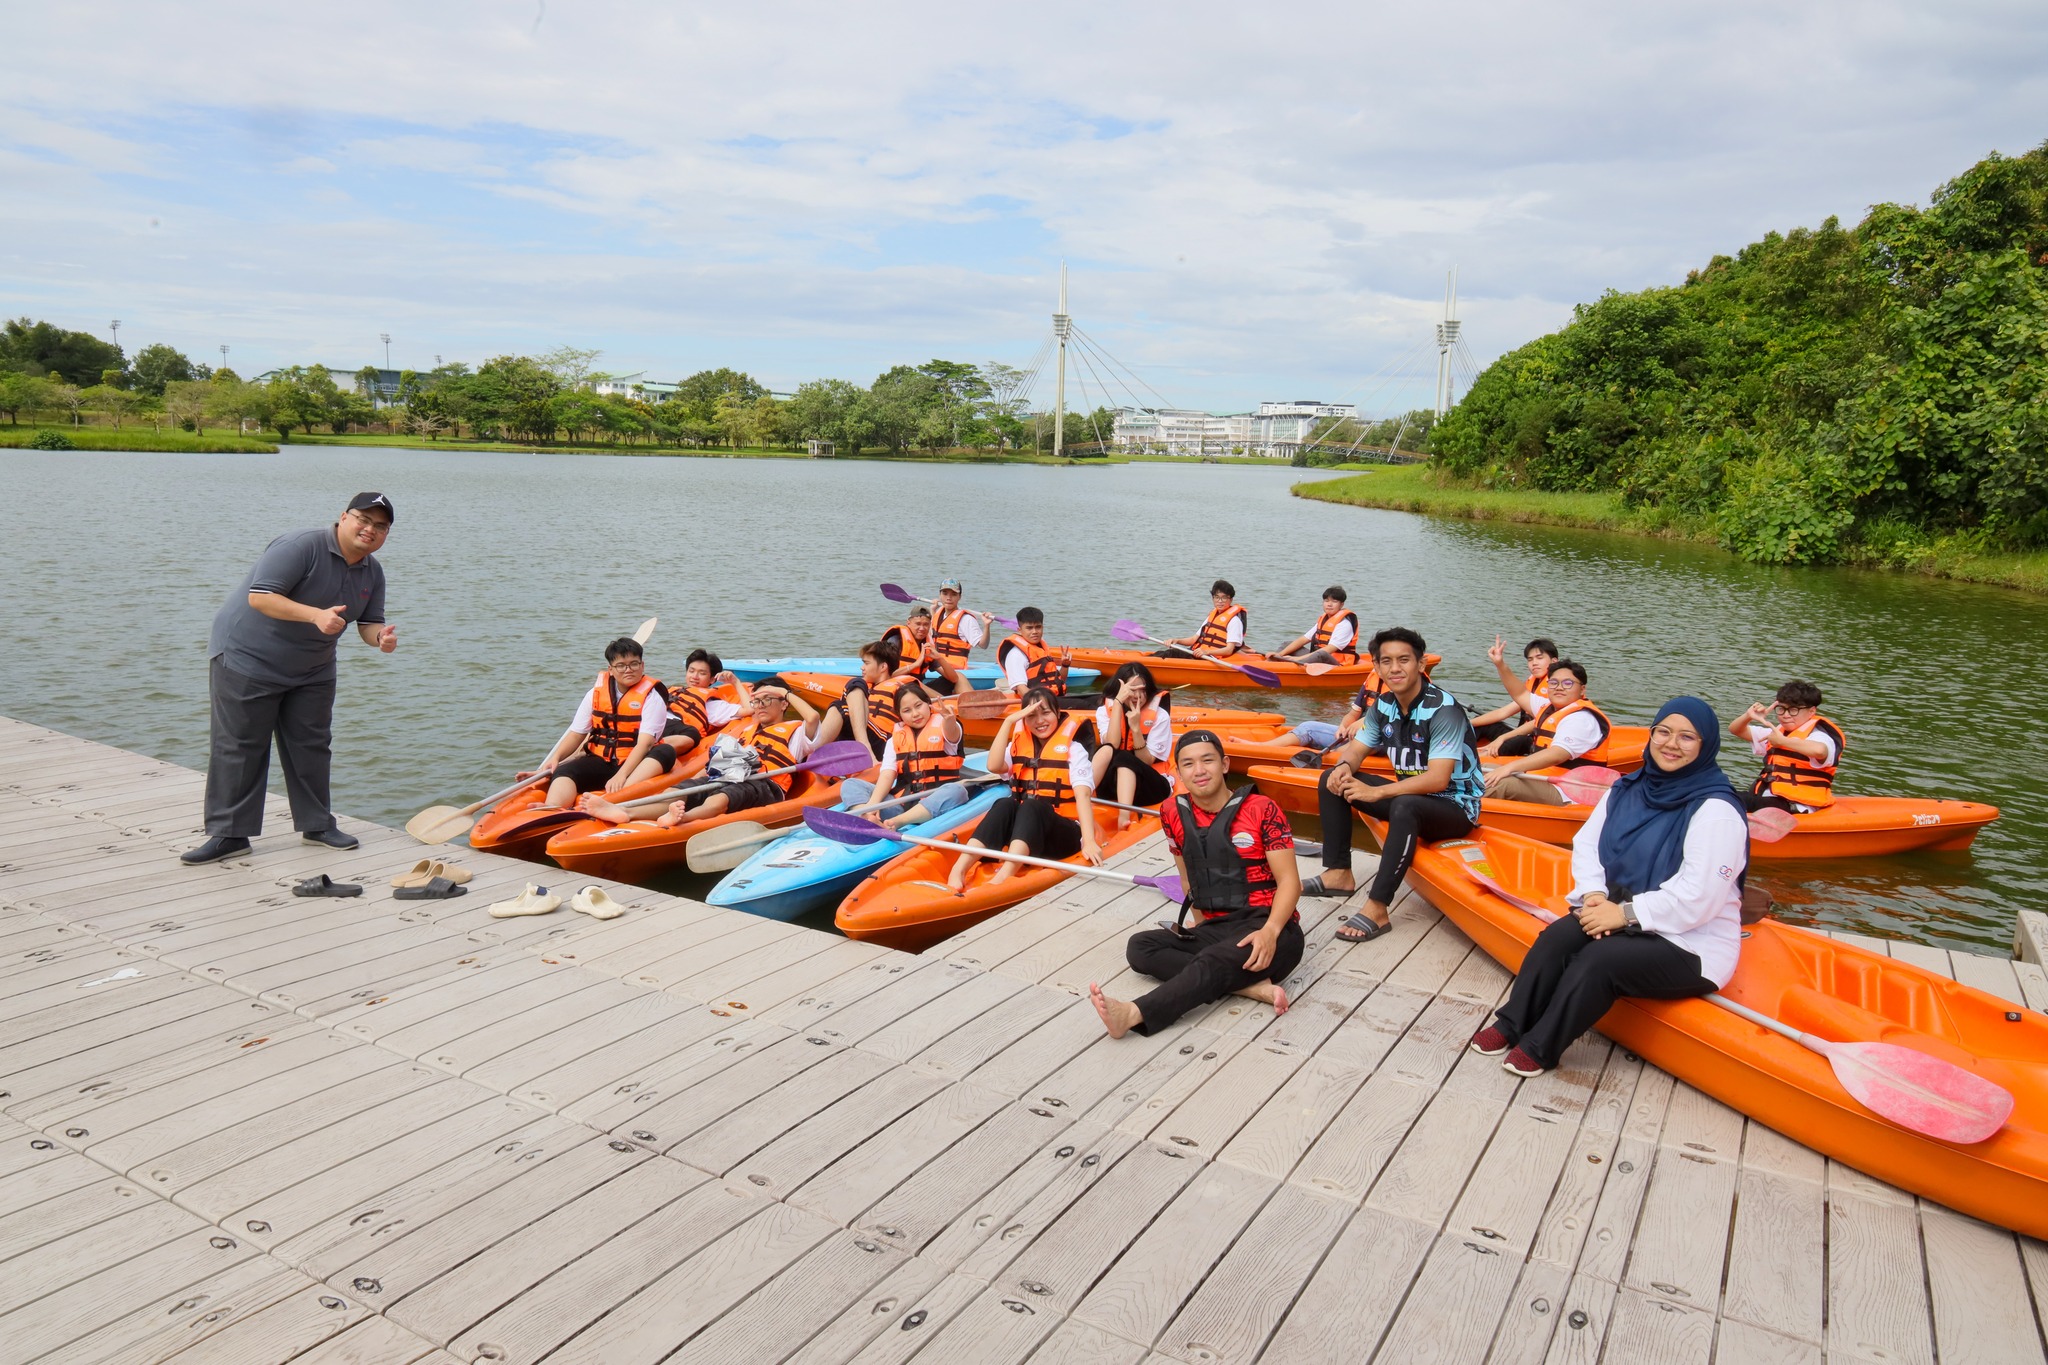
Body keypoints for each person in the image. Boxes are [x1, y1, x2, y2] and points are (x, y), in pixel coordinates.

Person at [1471, 697, 1747, 1076]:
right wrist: (1594, 895)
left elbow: (1699, 897)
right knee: (1556, 939)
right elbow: (1587, 846)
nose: (1671, 743)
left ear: (1706, 746)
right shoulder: (1628, 789)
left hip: (1691, 941)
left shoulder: (1716, 811)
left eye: (1687, 737)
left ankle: (1541, 1047)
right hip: (1616, 910)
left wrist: (1623, 914)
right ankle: (1511, 1023)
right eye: (1663, 732)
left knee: (1599, 961)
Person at [184, 492, 399, 864]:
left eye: (380, 526)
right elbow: (261, 597)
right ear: (343, 517)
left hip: (313, 666)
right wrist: (315, 616)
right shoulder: (301, 546)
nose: (370, 530)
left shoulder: (372, 571)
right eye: (364, 519)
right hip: (248, 656)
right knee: (240, 746)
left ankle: (317, 825)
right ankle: (229, 834)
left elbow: (368, 622)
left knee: (312, 744)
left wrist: (380, 638)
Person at [1089, 730, 1304, 1037]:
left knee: (1213, 959)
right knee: (1140, 947)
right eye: (1188, 764)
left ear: (1225, 764)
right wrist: (1201, 929)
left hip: (1271, 928)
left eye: (1208, 760)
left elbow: (1290, 883)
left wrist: (1270, 932)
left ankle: (1133, 1014)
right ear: (1179, 772)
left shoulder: (1262, 809)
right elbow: (1189, 878)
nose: (1199, 770)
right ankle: (1250, 988)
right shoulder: (1172, 812)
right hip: (1219, 928)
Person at [1304, 627, 1484, 942]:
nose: (1395, 668)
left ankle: (1377, 907)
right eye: (1386, 661)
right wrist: (1344, 767)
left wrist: (1377, 792)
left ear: (1421, 664)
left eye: (1404, 660)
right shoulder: (1384, 705)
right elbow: (1357, 749)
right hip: (1413, 799)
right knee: (1331, 780)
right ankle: (1338, 873)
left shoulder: (1445, 710)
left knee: (1404, 804)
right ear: (1376, 666)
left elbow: (1439, 778)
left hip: (1454, 808)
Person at [579, 676, 821, 827]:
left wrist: (784, 691)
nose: (759, 706)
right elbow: (723, 763)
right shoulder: (747, 730)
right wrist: (697, 778)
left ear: (783, 703)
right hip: (729, 775)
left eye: (767, 700)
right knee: (678, 791)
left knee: (720, 798)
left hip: (764, 784)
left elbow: (812, 717)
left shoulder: (797, 732)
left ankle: (682, 819)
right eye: (757, 701)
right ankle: (624, 812)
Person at [947, 688, 1102, 891]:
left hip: (1063, 833)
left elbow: (1082, 795)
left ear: (1057, 713)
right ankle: (959, 869)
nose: (1039, 721)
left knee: (1032, 806)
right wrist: (1007, 722)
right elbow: (994, 765)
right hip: (1026, 832)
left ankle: (1005, 874)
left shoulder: (1074, 750)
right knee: (1004, 804)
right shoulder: (1018, 746)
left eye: (1045, 713)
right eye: (1031, 716)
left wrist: (1089, 841)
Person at [522, 637, 672, 811]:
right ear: (611, 669)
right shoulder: (595, 694)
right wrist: (555, 759)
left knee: (665, 751)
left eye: (634, 664)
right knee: (565, 771)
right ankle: (553, 807)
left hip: (639, 761)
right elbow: (577, 733)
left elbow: (645, 743)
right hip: (605, 760)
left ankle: (616, 798)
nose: (628, 670)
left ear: (642, 666)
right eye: (621, 666)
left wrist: (621, 776)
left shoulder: (652, 697)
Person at [836, 682, 977, 829]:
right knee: (851, 784)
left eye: (918, 706)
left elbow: (952, 735)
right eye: (907, 710)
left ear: (928, 704)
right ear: (900, 715)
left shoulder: (946, 726)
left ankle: (896, 823)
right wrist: (872, 805)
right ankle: (865, 816)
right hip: (902, 805)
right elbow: (887, 775)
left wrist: (949, 720)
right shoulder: (894, 739)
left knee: (957, 791)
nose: (915, 714)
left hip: (935, 803)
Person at [1481, 660, 1614, 805]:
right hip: (1542, 779)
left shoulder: (1582, 718)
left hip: (1568, 791)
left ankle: (1463, 814)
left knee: (1501, 783)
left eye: (1568, 683)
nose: (1559, 688)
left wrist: (1509, 768)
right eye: (1554, 683)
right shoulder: (1549, 708)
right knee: (1483, 770)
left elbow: (1557, 754)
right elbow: (1520, 693)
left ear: (1582, 689)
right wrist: (1501, 665)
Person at [1729, 680, 1844, 813]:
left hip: (1798, 805)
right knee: (1721, 793)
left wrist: (1783, 741)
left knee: (1729, 800)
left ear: (1811, 711)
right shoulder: (1777, 733)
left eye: (1793, 710)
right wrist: (1749, 716)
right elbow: (1736, 730)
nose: (1786, 715)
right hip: (1770, 799)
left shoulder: (1819, 736)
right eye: (1782, 709)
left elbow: (1820, 751)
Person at [631, 647, 741, 783]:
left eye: (702, 673)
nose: (694, 677)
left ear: (712, 679)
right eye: (691, 671)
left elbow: (750, 709)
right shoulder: (672, 690)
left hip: (676, 729)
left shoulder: (712, 704)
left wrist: (735, 682)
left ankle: (646, 748)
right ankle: (641, 747)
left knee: (692, 734)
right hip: (651, 720)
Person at [1090, 660, 1172, 820]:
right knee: (1106, 749)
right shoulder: (1104, 711)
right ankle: (1083, 798)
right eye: (1132, 690)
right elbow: (1112, 744)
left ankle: (1124, 816)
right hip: (1115, 784)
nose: (1137, 695)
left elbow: (1147, 761)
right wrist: (1119, 704)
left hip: (1149, 785)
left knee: (1123, 758)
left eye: (1142, 690)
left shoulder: (1160, 716)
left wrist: (1135, 729)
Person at [818, 641, 914, 758]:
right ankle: (813, 755)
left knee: (847, 695)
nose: (862, 667)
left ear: (883, 667)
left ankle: (863, 746)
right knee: (839, 706)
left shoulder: (902, 688)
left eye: (866, 663)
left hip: (882, 740)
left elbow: (935, 698)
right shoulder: (865, 688)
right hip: (865, 733)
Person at [1471, 636, 1560, 745]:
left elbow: (1537, 721)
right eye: (1530, 659)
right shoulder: (1533, 681)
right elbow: (1503, 712)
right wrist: (1467, 723)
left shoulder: (1558, 688)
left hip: (1535, 742)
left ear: (1554, 661)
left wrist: (1503, 737)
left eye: (1539, 658)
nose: (1534, 663)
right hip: (1522, 736)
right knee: (1479, 722)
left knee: (1519, 740)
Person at [927, 578, 991, 695]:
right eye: (945, 593)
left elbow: (983, 645)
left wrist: (986, 626)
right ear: (940, 595)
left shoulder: (966, 619)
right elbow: (933, 635)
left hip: (954, 671)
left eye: (953, 594)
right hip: (938, 667)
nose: (948, 598)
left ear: (959, 597)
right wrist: (932, 612)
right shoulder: (938, 613)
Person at [1156, 580, 1248, 659]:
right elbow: (1193, 639)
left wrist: (1206, 652)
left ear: (1231, 599)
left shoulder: (1234, 621)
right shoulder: (1212, 616)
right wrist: (1176, 640)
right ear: (1213, 598)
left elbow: (1229, 650)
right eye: (1217, 597)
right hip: (1198, 654)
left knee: (1171, 654)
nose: (1220, 601)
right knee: (1163, 653)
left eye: (1224, 598)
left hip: (1211, 658)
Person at [1269, 587, 1359, 665]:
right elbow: (1304, 639)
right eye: (1326, 601)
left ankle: (1291, 664)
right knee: (1287, 644)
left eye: (1334, 601)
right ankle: (1274, 662)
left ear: (1341, 604)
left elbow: (1329, 649)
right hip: (1318, 656)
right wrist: (1280, 654)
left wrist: (1297, 659)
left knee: (1321, 654)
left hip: (1337, 662)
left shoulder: (1345, 624)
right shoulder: (1324, 620)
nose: (1329, 604)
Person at [996, 607, 1072, 695]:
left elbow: (1060, 680)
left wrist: (1065, 665)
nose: (1035, 632)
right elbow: (1022, 690)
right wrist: (1045, 705)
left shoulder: (1041, 648)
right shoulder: (1016, 655)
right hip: (1037, 703)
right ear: (1019, 630)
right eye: (1029, 628)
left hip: (1054, 699)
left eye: (1038, 627)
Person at [881, 608, 937, 682]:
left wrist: (940, 658)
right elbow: (885, 675)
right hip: (895, 685)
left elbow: (953, 678)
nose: (922, 628)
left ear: (930, 625)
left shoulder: (928, 645)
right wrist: (916, 664)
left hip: (917, 686)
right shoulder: (895, 641)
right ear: (908, 623)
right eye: (918, 624)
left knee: (951, 681)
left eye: (926, 624)